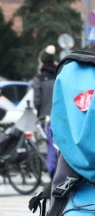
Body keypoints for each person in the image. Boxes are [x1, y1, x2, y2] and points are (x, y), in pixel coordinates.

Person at [31, 45, 58, 177]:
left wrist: (39, 111)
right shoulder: (59, 75)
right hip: (59, 117)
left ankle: (51, 171)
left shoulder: (39, 79)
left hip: (45, 118)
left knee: (48, 147)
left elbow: (37, 101)